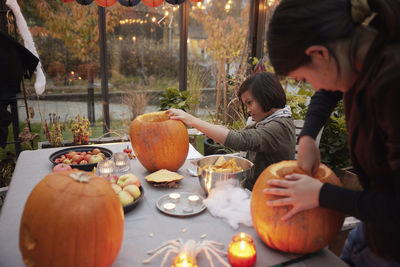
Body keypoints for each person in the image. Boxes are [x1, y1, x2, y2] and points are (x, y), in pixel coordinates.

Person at [264, 0, 400, 265]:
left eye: (304, 79)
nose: (311, 85)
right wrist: (307, 136)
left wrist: (320, 194)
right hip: (372, 229)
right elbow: (328, 89)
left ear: (319, 54)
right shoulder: (359, 51)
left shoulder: (393, 83)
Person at [166, 72, 296, 190]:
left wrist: (191, 119)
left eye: (250, 103)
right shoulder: (267, 121)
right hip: (252, 190)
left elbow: (240, 140)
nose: (249, 110)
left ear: (266, 96)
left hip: (265, 198)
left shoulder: (280, 127)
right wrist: (208, 129)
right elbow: (237, 134)